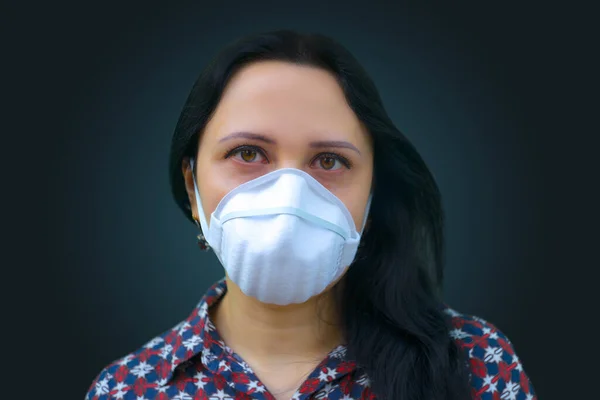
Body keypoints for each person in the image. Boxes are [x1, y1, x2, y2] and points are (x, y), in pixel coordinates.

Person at [85, 30, 537, 400]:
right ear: (192, 183)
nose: (289, 196)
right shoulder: (129, 389)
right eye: (248, 153)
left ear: (373, 191)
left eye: (328, 161)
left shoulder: (476, 366)